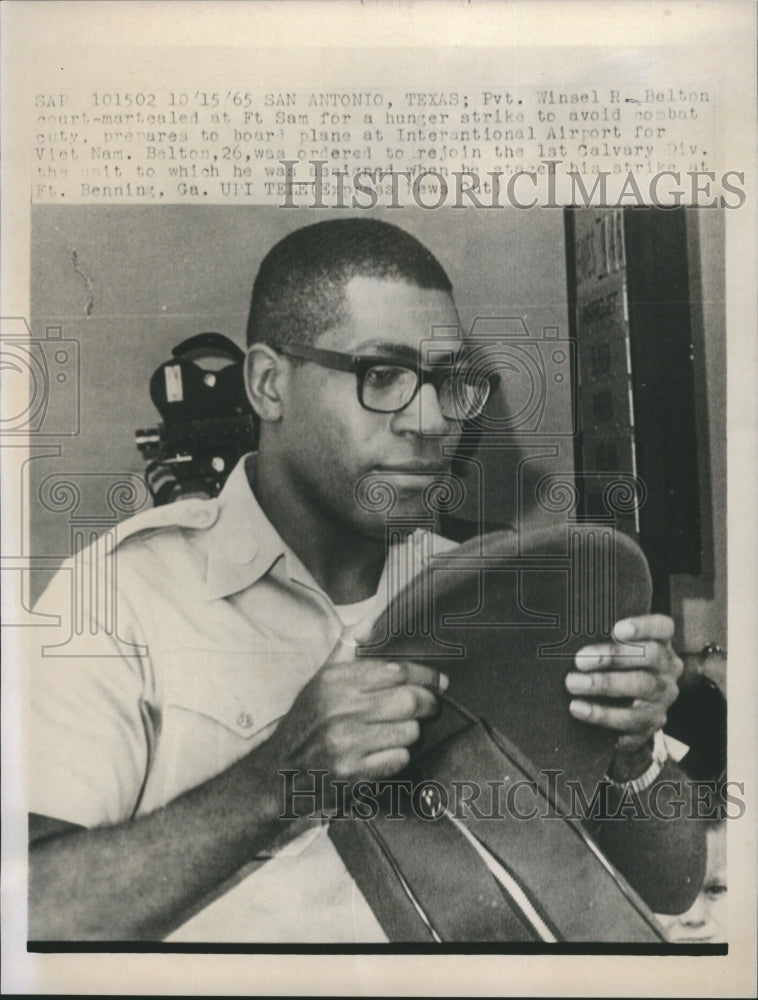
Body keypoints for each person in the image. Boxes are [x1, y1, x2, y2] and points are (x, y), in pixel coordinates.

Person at [28, 218, 701, 941]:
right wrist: (275, 785)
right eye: (383, 375)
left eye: (449, 382)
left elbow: (670, 885)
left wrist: (631, 749)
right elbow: (27, 912)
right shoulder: (116, 598)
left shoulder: (484, 590)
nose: (432, 420)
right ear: (267, 383)